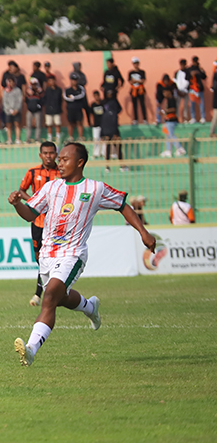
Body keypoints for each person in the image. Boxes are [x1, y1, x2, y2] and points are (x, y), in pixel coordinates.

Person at [9, 142, 156, 366]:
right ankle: (90, 307)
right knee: (60, 298)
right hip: (48, 255)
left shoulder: (95, 189)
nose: (60, 163)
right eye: (59, 159)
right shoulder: (51, 188)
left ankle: (31, 349)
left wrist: (143, 232)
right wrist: (17, 204)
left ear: (80, 163)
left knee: (48, 299)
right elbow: (30, 214)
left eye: (65, 159)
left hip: (73, 254)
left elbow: (122, 205)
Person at [19, 142, 61, 306]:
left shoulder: (62, 172)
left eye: (51, 153)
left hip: (56, 224)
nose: (48, 156)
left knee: (49, 258)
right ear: (40, 155)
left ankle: (39, 294)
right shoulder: (33, 172)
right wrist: (35, 203)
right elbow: (21, 189)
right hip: (37, 222)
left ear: (56, 154)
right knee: (39, 258)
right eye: (45, 153)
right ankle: (45, 290)